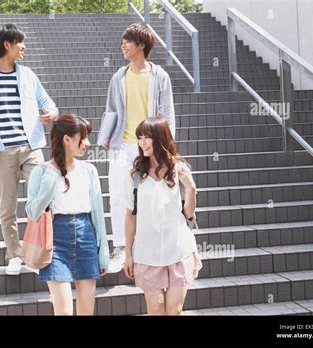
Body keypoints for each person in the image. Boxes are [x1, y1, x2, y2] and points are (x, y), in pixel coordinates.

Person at [0, 23, 59, 275]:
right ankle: (14, 254)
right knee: (7, 206)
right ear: (7, 45)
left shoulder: (28, 75)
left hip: (31, 147)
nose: (24, 47)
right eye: (20, 42)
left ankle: (38, 251)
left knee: (42, 198)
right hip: (2, 151)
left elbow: (47, 101)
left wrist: (51, 112)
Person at [97, 23, 175, 273]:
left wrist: (168, 147)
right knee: (119, 196)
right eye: (123, 41)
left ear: (141, 45)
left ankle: (149, 245)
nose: (123, 45)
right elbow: (111, 110)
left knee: (153, 196)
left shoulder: (159, 76)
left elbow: (167, 114)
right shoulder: (118, 76)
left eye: (128, 41)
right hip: (123, 145)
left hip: (151, 146)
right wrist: (107, 136)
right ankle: (121, 247)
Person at [25, 114, 110, 315]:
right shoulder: (42, 171)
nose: (87, 143)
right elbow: (33, 212)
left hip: (86, 236)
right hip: (56, 240)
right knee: (63, 312)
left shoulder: (89, 170)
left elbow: (98, 214)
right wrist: (52, 175)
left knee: (86, 311)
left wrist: (103, 252)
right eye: (83, 137)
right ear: (66, 139)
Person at [123, 117, 202, 315]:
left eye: (147, 137)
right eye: (140, 137)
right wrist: (128, 254)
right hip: (148, 255)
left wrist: (191, 188)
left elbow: (189, 213)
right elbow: (130, 216)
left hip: (177, 251)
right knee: (156, 311)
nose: (142, 142)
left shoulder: (179, 170)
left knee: (174, 311)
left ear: (160, 138)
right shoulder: (135, 176)